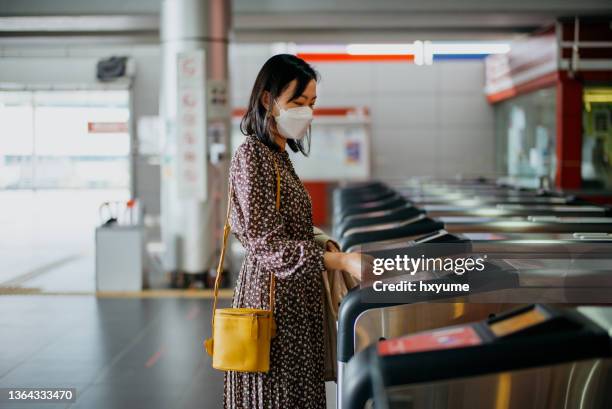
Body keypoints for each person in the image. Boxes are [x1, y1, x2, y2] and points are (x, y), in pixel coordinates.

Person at [224, 54, 368, 409]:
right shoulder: (252, 156)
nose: (307, 112)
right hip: (272, 301)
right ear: (267, 101)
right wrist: (340, 260)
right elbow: (266, 244)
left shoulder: (278, 155)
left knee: (298, 392)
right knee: (278, 394)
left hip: (294, 299)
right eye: (297, 102)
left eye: (312, 103)